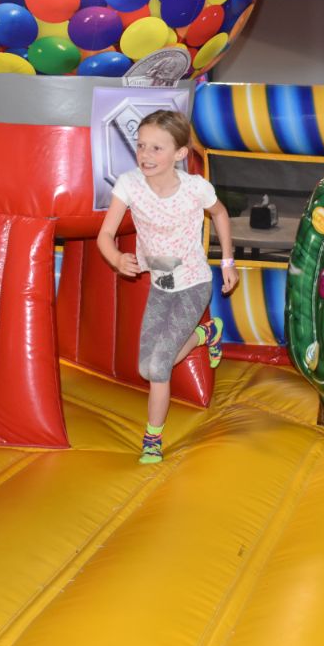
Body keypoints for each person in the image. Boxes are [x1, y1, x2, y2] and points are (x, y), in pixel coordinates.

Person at [97, 110, 240, 463]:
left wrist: (227, 262)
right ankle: (208, 334)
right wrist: (116, 258)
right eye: (142, 146)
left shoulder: (194, 188)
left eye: (157, 148)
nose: (145, 155)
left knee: (159, 367)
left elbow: (220, 214)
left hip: (193, 284)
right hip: (162, 284)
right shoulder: (129, 184)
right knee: (147, 368)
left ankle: (152, 438)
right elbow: (105, 234)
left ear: (179, 153)